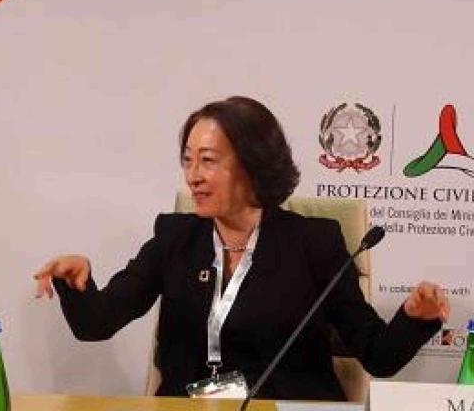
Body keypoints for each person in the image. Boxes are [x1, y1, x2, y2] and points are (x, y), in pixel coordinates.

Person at [34, 96, 449, 400]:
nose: (193, 176)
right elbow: (97, 325)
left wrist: (414, 318)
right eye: (188, 160)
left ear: (252, 165)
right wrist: (76, 283)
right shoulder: (175, 238)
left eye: (208, 160)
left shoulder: (313, 244)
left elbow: (377, 355)